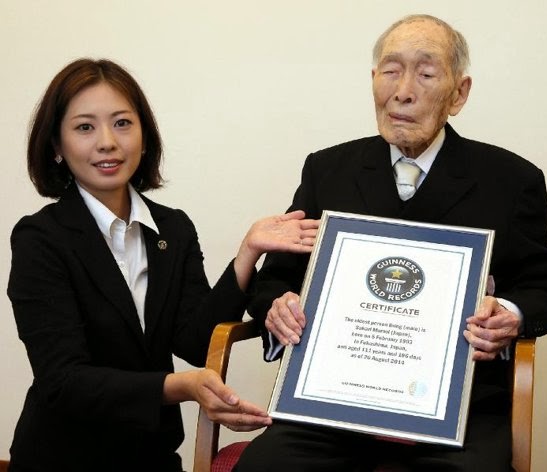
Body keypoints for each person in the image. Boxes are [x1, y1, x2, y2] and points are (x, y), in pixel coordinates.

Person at [234, 14, 547, 472]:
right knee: (265, 465)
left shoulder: (511, 180)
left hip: (460, 414)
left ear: (459, 94)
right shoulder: (328, 170)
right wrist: (279, 306)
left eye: (426, 74)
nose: (403, 91)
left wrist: (509, 315)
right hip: (333, 407)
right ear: (374, 80)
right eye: (391, 71)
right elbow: (275, 280)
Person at [7, 58, 319, 472]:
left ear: (144, 135)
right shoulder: (40, 238)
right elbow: (64, 381)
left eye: (122, 123)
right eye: (84, 127)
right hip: (64, 459)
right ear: (56, 147)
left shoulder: (172, 227)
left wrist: (248, 252)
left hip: (152, 456)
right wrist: (184, 386)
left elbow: (195, 341)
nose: (107, 142)